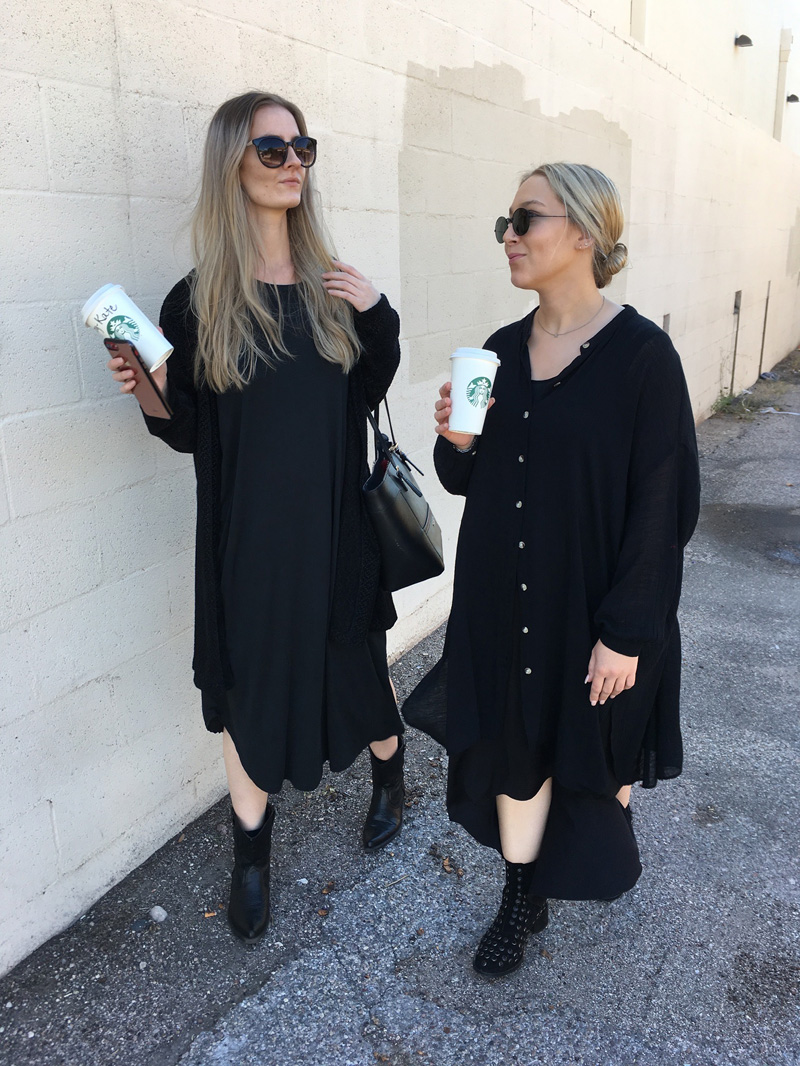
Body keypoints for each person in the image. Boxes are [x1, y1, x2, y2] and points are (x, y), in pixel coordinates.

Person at [105, 91, 406, 944]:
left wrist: (378, 312)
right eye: (272, 150)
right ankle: (250, 857)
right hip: (247, 539)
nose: (293, 163)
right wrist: (149, 394)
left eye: (303, 146)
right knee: (244, 687)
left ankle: (391, 773)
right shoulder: (196, 302)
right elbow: (190, 431)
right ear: (232, 163)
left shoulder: (334, 290)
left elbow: (369, 388)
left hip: (336, 529)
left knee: (356, 666)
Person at [405, 162, 700, 977]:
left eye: (523, 219)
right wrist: (456, 442)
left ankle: (550, 873)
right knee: (512, 747)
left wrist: (627, 633)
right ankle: (516, 896)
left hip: (591, 604)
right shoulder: (501, 349)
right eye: (504, 221)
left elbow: (663, 506)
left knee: (592, 763)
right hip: (503, 596)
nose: (508, 235)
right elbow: (470, 478)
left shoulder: (644, 358)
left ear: (583, 232)